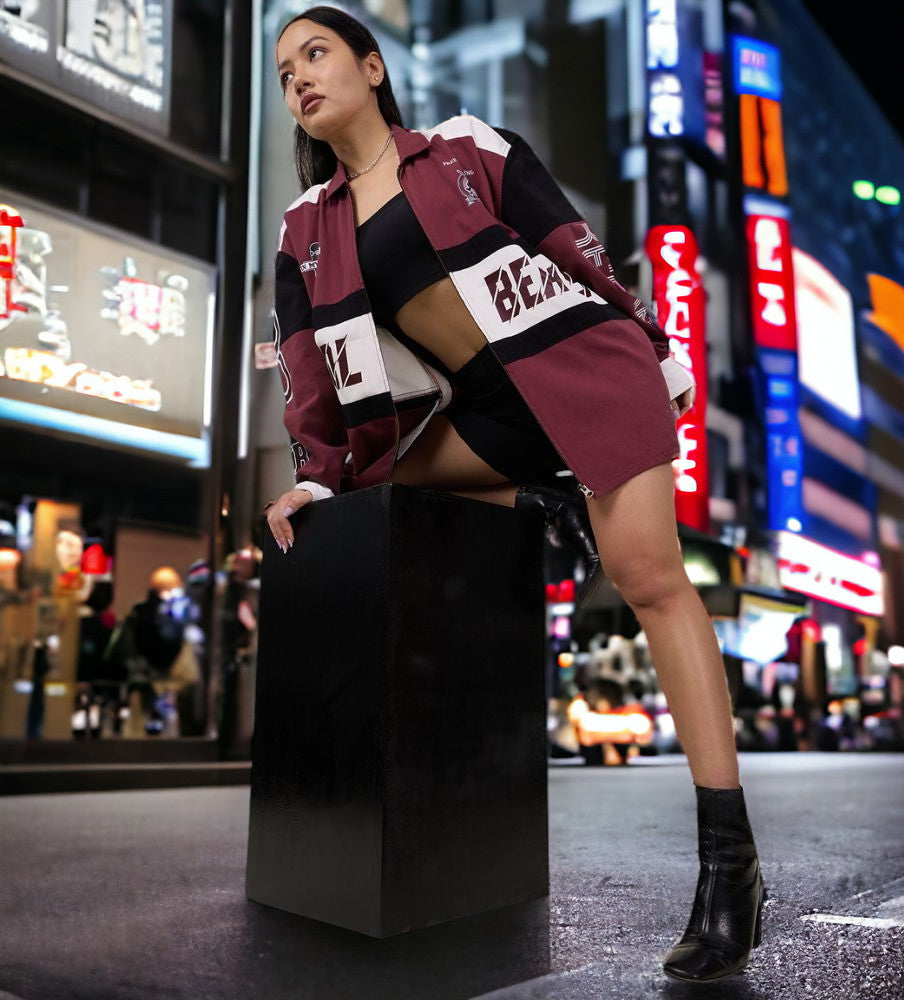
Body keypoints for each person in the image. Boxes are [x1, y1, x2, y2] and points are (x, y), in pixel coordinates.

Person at [266, 6, 763, 983]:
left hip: (580, 369)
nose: (300, 79)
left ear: (371, 65)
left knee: (649, 579)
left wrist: (650, 353)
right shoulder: (303, 231)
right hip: (488, 416)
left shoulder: (463, 148)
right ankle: (544, 502)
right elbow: (307, 373)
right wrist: (313, 476)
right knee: (380, 498)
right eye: (284, 72)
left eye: (315, 54)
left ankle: (729, 868)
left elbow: (573, 247)